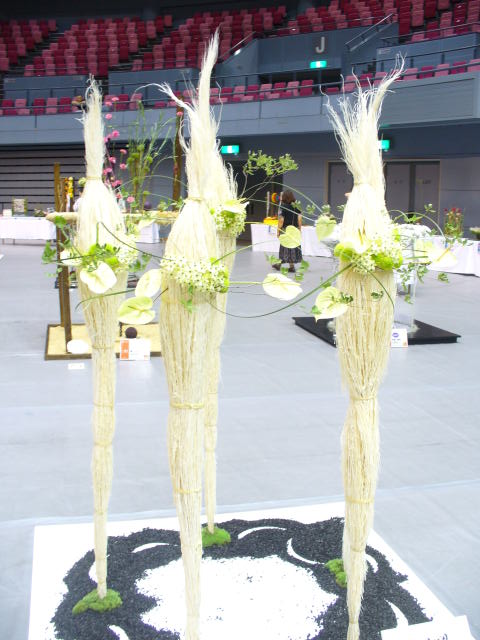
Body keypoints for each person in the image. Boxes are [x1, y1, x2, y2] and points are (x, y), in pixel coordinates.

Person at [275, 190, 302, 272]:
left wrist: (278, 231)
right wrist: (299, 229)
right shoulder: (296, 206)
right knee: (292, 246)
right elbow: (299, 219)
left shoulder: (283, 206)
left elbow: (281, 220)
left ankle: (279, 264)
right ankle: (291, 266)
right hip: (295, 229)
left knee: (284, 246)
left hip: (286, 229)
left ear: (284, 197)